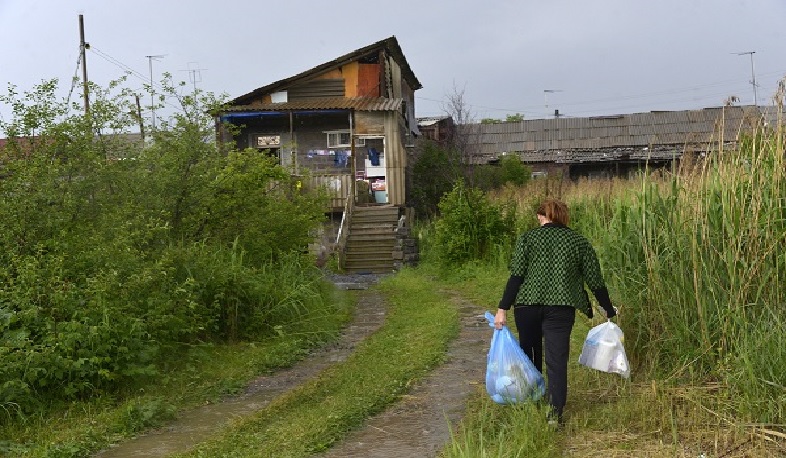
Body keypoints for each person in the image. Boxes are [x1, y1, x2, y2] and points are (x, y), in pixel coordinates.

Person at [494, 198, 616, 425]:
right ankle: (554, 413)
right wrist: (607, 308)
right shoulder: (578, 241)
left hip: (527, 306)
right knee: (557, 359)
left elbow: (516, 276)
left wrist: (503, 309)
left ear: (542, 216)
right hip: (560, 308)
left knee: (529, 354)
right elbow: (595, 280)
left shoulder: (528, 238)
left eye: (539, 216)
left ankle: (531, 399)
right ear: (563, 217)